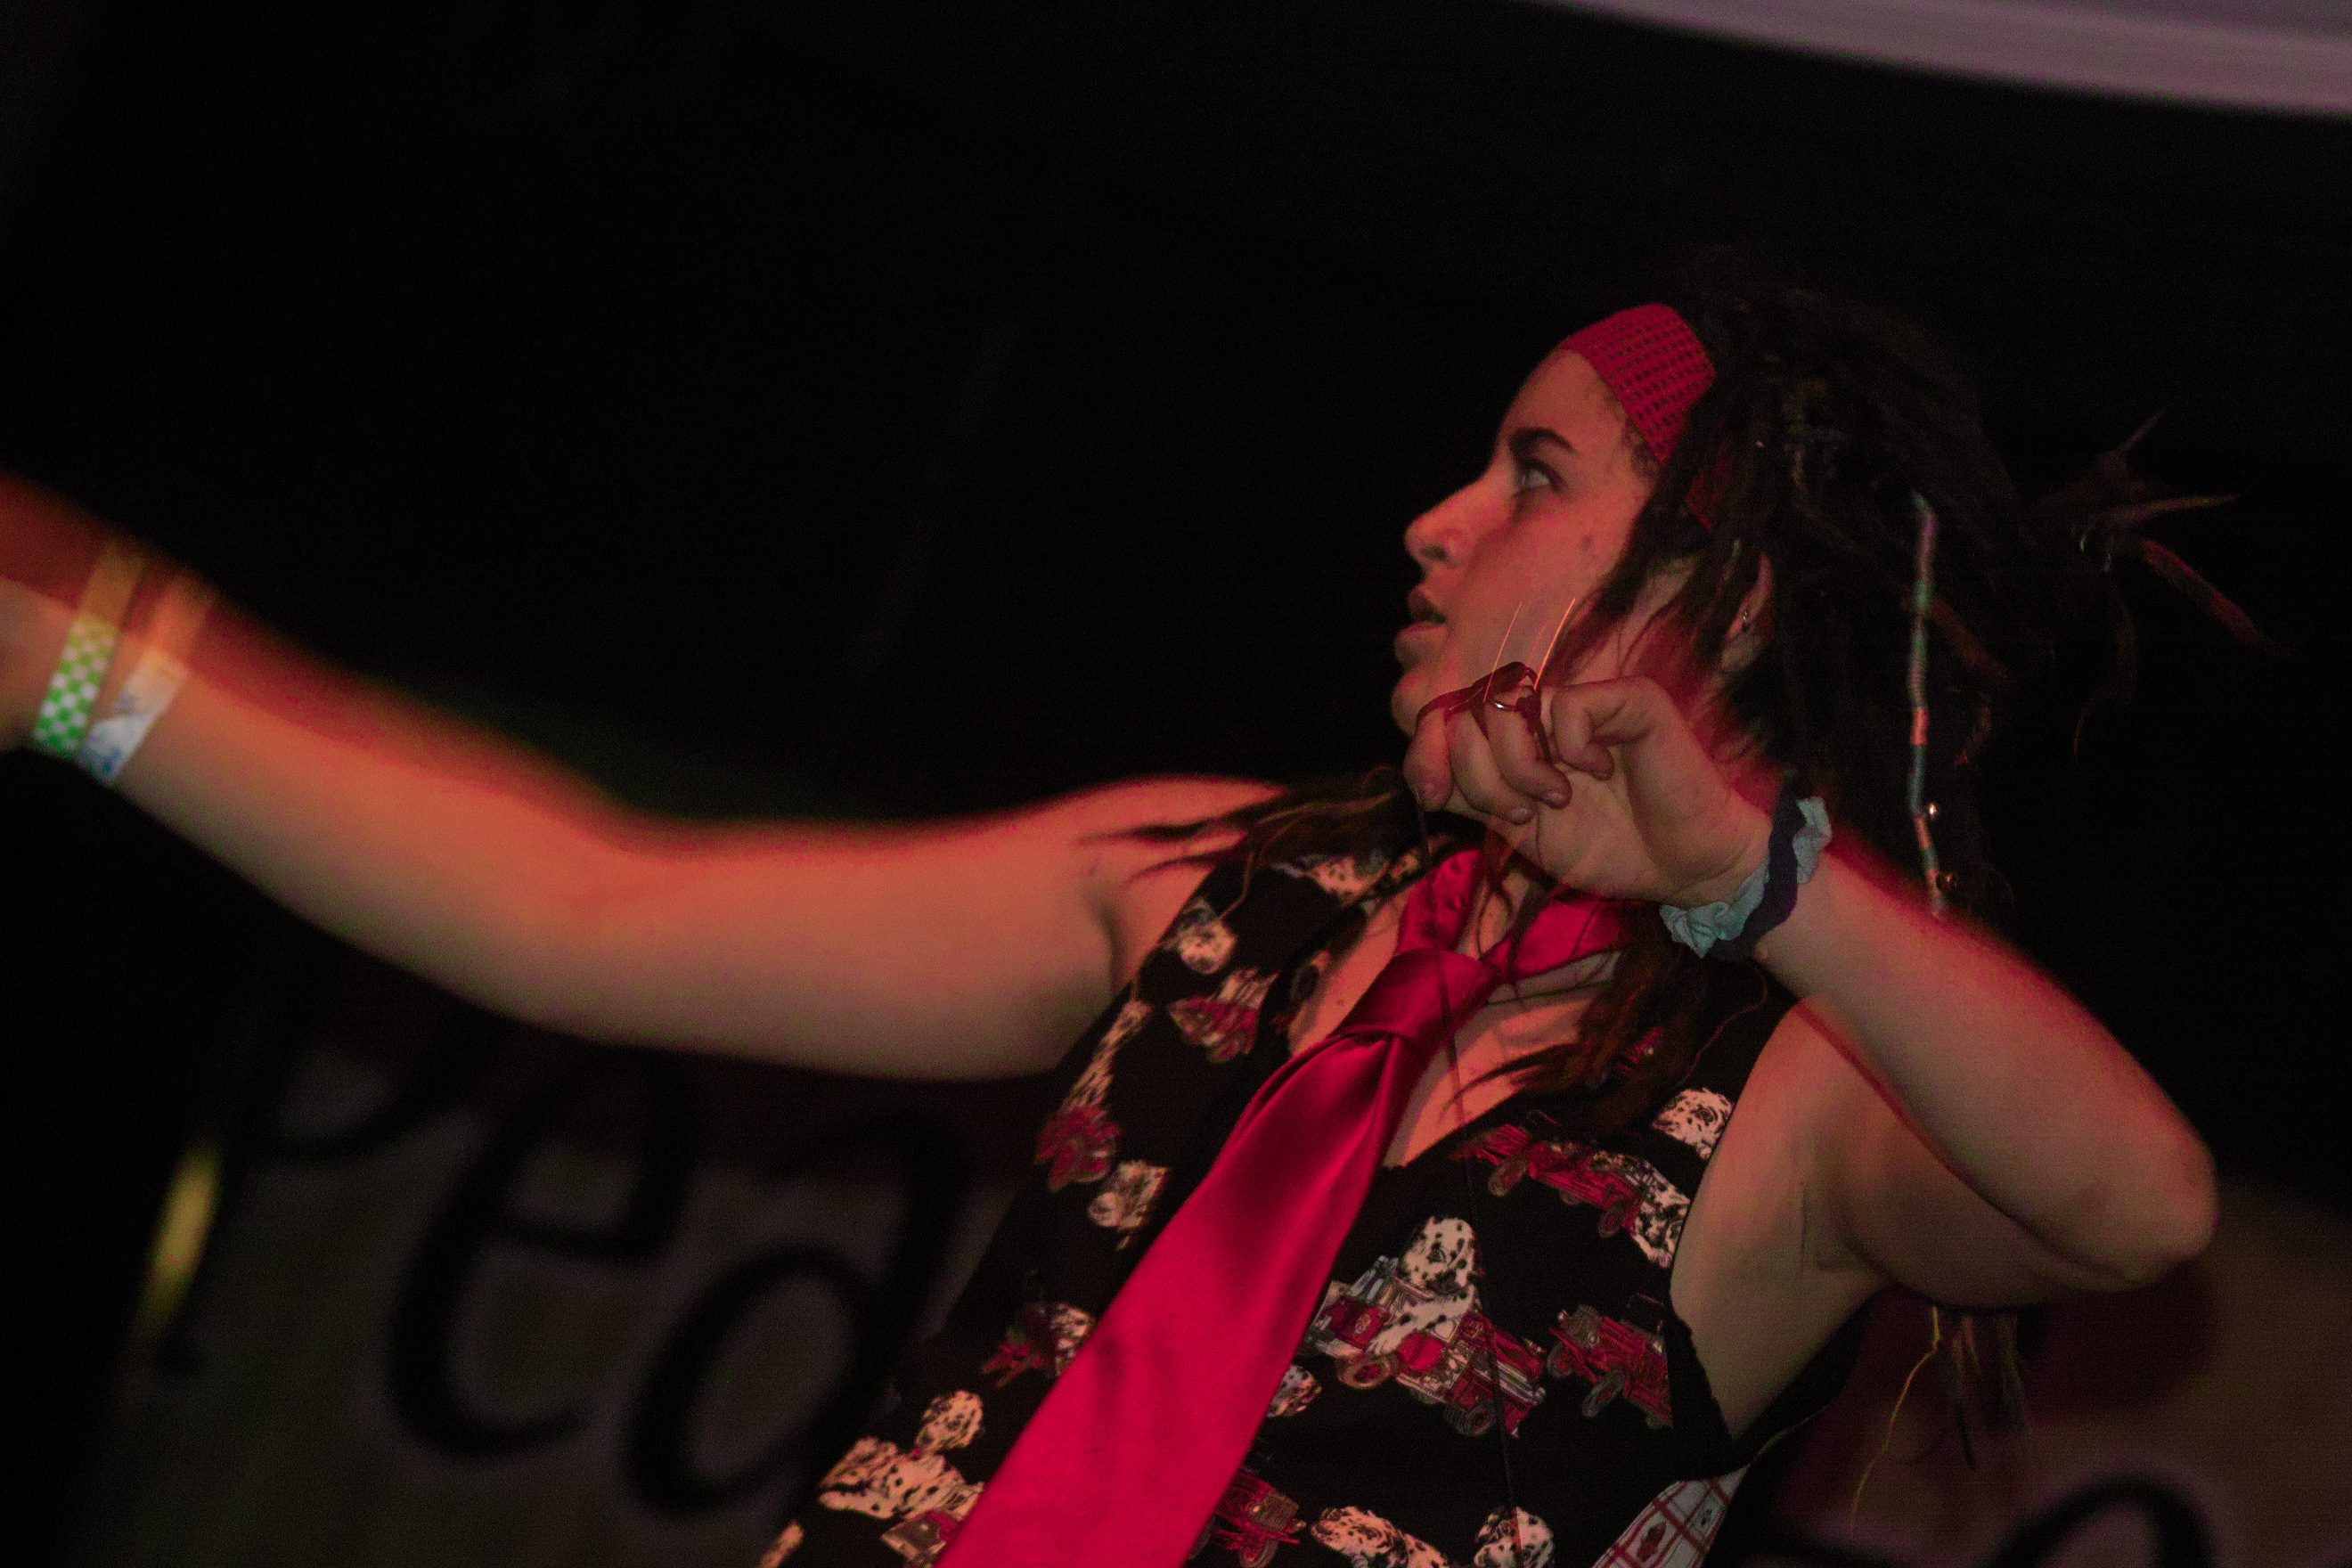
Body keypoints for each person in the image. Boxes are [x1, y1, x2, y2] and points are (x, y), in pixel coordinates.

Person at [0, 264, 2218, 1568]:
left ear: (1721, 575)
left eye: (1534, 474)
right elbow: (582, 903)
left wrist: (1754, 880)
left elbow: (2136, 1208)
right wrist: (78, 679)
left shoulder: (1795, 1086)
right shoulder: (1238, 888)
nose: (1434, 523)